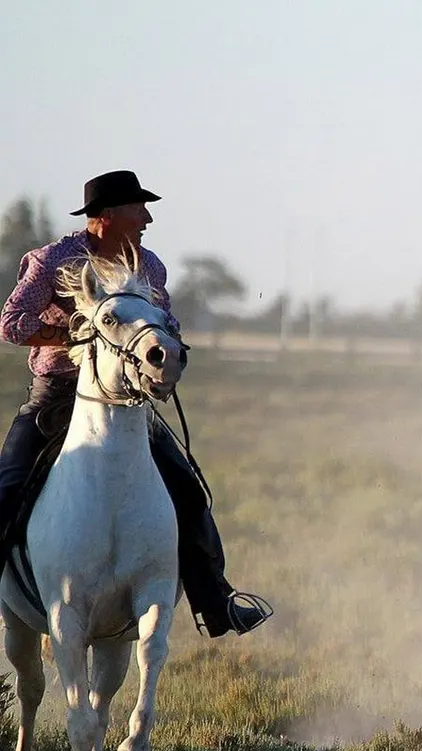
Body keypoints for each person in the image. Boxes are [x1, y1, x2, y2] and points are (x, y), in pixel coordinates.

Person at [0, 170, 269, 637]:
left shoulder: (151, 267)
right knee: (6, 488)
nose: (147, 217)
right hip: (58, 395)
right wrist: (78, 334)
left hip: (128, 400)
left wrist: (166, 344)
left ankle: (217, 601)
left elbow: (166, 320)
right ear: (105, 216)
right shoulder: (51, 261)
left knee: (188, 490)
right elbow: (11, 324)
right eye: (137, 208)